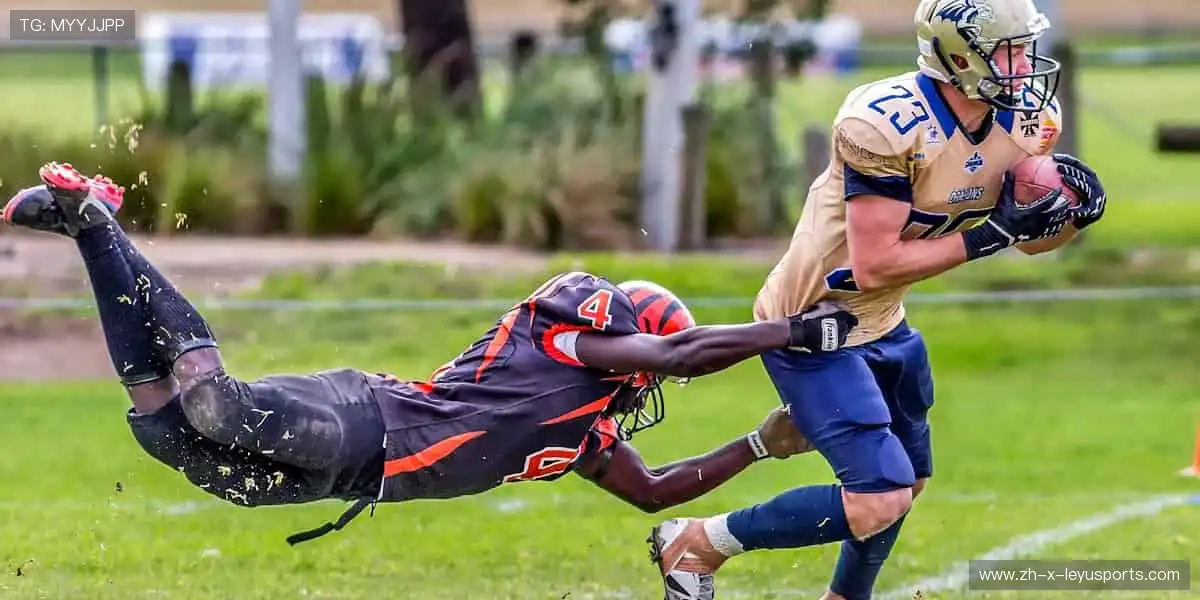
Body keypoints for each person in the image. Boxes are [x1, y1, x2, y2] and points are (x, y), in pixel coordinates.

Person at [2, 162, 859, 546]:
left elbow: (658, 493)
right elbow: (681, 358)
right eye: (645, 361)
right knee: (216, 405)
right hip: (368, 419)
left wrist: (758, 446)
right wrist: (789, 331)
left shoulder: (588, 429)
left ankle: (90, 236)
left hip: (354, 478)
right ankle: (98, 219)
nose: (643, 383)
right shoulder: (577, 336)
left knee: (167, 430)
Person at [646, 1, 1109, 598]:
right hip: (814, 322)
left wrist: (1065, 217)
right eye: (1008, 49)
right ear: (959, 55)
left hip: (885, 319)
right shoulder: (885, 122)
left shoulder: (1026, 118)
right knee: (878, 496)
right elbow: (874, 264)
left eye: (1025, 46)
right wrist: (994, 233)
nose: (1024, 64)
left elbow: (1029, 242)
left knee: (906, 483)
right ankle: (700, 543)